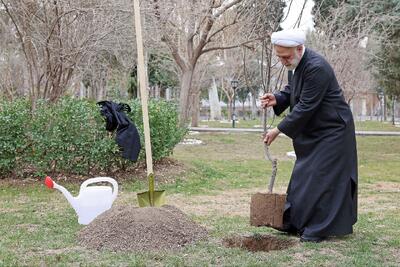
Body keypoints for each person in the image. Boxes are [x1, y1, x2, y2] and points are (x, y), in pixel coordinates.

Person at [260, 29, 358, 243]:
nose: (283, 61)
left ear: (299, 49)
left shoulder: (317, 67)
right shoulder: (294, 64)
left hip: (334, 130)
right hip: (316, 130)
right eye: (279, 56)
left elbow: (306, 105)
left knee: (321, 178)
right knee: (304, 175)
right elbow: (293, 90)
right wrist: (277, 98)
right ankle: (295, 222)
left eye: (285, 56)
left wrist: (278, 130)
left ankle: (317, 228)